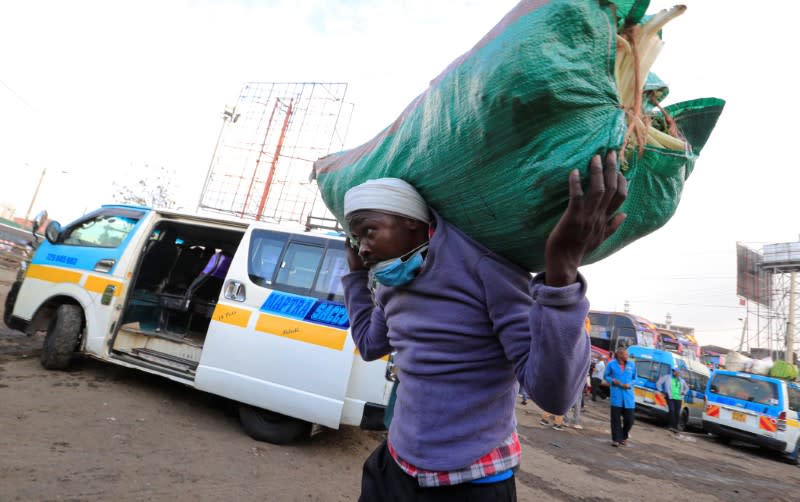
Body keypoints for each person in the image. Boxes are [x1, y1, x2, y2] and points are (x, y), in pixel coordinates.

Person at [342, 152, 626, 500]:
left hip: (472, 480)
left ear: (412, 222)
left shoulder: (486, 270)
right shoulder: (390, 284)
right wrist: (356, 278)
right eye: (356, 240)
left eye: (369, 232)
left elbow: (555, 395)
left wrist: (562, 274)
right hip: (397, 465)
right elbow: (371, 345)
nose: (364, 249)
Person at [604, 347, 636, 447]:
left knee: (629, 420)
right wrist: (612, 381)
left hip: (628, 396)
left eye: (627, 354)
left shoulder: (631, 364)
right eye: (625, 354)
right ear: (619, 355)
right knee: (615, 420)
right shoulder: (611, 364)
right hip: (616, 395)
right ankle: (616, 440)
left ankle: (623, 436)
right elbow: (606, 376)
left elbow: (635, 378)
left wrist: (629, 384)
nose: (627, 356)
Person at [657, 365, 688, 432]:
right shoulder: (667, 377)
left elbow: (687, 388)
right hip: (670, 397)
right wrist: (662, 391)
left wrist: (684, 393)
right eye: (673, 371)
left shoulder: (681, 381)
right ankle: (670, 425)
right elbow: (658, 383)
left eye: (675, 371)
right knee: (672, 410)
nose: (674, 372)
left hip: (678, 398)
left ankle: (675, 426)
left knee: (677, 412)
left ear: (678, 373)